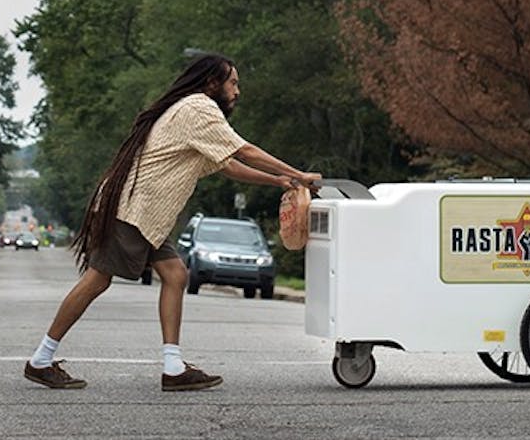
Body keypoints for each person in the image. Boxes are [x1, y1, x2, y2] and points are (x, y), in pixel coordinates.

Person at [23, 54, 321, 392]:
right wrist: (296, 174)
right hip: (132, 209)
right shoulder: (198, 108)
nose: (238, 91)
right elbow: (244, 150)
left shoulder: (191, 112)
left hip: (148, 215)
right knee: (97, 280)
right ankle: (41, 360)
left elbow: (227, 165)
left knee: (176, 275)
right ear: (212, 83)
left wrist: (279, 181)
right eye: (233, 82)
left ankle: (173, 367)